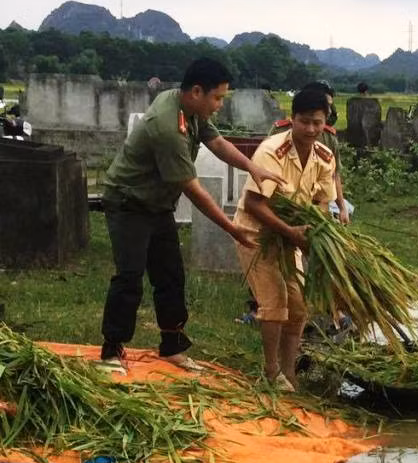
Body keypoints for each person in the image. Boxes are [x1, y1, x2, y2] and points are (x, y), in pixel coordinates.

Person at [99, 57, 285, 371]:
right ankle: (111, 350)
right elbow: (193, 189)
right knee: (129, 276)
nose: (220, 105)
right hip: (128, 202)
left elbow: (217, 142)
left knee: (171, 275)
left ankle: (172, 345)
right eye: (218, 98)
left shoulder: (188, 108)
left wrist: (253, 166)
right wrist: (230, 227)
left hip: (156, 204)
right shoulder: (167, 126)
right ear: (197, 92)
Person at [232, 89, 336, 391]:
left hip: (292, 239)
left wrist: (319, 233)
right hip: (257, 235)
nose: (311, 129)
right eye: (304, 122)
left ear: (326, 121)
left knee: (299, 305)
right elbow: (253, 204)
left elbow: (320, 205)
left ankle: (289, 374)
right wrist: (291, 232)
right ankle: (271, 371)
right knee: (275, 301)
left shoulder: (324, 158)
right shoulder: (271, 151)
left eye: (317, 123)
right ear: (292, 119)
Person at [269, 81, 350, 224]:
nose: (330, 110)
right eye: (326, 104)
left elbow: (334, 174)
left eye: (330, 106)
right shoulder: (280, 132)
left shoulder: (329, 137)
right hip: (283, 204)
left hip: (316, 205)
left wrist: (342, 208)